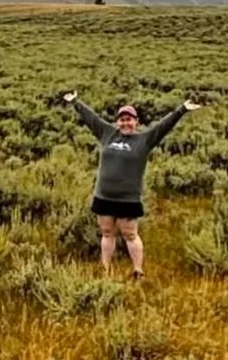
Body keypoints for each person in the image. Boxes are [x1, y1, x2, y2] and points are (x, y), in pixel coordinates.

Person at [60, 91, 203, 280]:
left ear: (136, 122)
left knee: (130, 234)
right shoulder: (107, 133)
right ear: (117, 122)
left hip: (127, 198)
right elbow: (91, 118)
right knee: (107, 232)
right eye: (122, 120)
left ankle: (138, 271)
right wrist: (76, 102)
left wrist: (181, 110)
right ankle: (105, 268)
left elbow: (163, 126)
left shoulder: (144, 140)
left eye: (129, 120)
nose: (125, 123)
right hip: (103, 196)